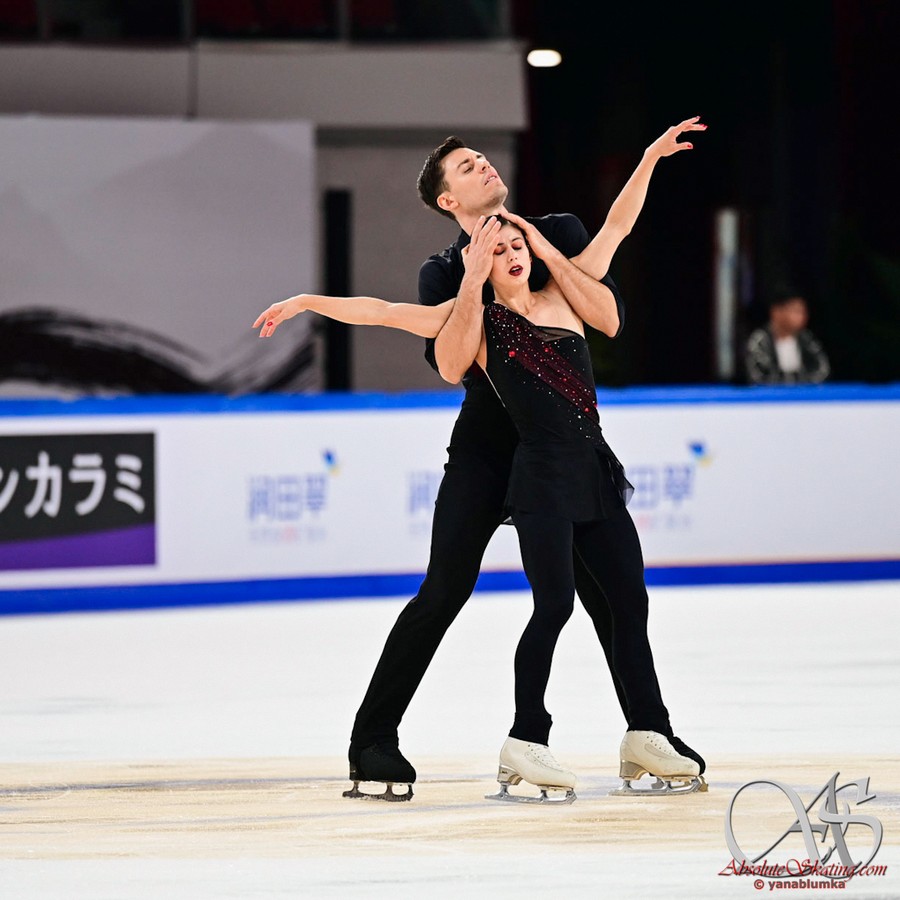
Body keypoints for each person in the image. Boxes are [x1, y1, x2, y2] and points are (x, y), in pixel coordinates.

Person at [254, 117, 708, 801]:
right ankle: (373, 740)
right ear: (448, 201)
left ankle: (649, 729)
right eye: (466, 167)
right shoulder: (444, 271)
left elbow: (607, 288)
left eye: (482, 159)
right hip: (490, 452)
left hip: (560, 449)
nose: (485, 166)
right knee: (445, 590)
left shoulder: (551, 234)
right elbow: (444, 358)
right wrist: (316, 301)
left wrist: (628, 175)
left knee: (612, 595)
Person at [744, 290, 830, 384]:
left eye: (803, 312)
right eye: (796, 311)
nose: (802, 317)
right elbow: (758, 376)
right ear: (776, 312)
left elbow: (822, 370)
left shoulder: (806, 339)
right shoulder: (761, 341)